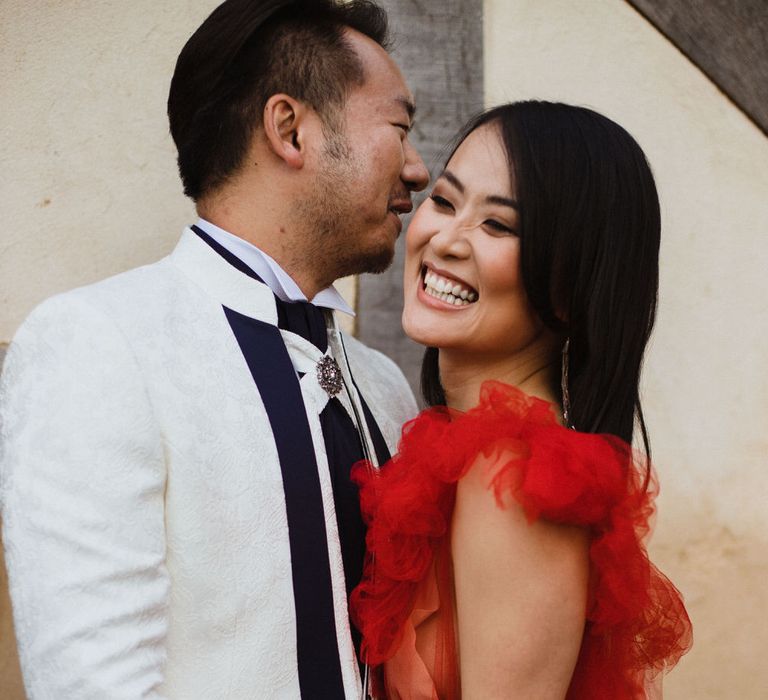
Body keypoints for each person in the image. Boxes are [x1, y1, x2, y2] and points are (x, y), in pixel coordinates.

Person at [0, 0, 429, 697]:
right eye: (401, 129)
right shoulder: (100, 343)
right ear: (291, 129)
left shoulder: (381, 384)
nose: (417, 169)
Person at [350, 101, 693, 699]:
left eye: (499, 226)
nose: (447, 241)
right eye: (446, 201)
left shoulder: (513, 476)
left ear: (568, 287)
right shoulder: (463, 448)